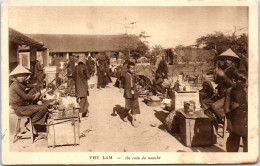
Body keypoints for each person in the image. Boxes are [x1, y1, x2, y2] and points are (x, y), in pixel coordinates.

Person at [9, 65, 50, 136]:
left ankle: (34, 125)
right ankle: (32, 124)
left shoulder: (21, 83)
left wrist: (38, 90)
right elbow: (25, 98)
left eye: (23, 76)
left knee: (39, 100)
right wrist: (35, 96)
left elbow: (34, 86)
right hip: (19, 108)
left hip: (23, 105)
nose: (22, 77)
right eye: (20, 76)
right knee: (43, 108)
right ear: (15, 77)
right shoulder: (15, 85)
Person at [224, 70, 248, 152]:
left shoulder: (249, 90)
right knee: (232, 144)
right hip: (235, 121)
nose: (238, 81)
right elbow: (226, 107)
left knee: (249, 146)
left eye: (242, 80)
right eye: (236, 79)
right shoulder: (230, 90)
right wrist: (229, 120)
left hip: (248, 121)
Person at [120, 62, 140, 127]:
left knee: (135, 105)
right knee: (128, 106)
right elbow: (122, 82)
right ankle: (125, 114)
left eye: (134, 69)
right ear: (128, 69)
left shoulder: (134, 75)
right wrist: (121, 88)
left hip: (134, 92)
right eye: (131, 69)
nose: (133, 70)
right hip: (128, 92)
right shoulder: (125, 75)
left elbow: (136, 82)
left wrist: (137, 83)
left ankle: (133, 120)